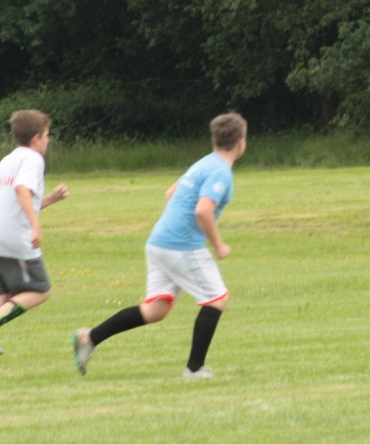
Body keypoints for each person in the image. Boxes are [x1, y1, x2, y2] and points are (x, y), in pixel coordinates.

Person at [72, 113, 247, 379]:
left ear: (215, 140)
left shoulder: (203, 163)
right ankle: (194, 369)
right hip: (180, 245)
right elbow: (203, 210)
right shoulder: (221, 171)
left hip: (158, 241)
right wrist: (219, 245)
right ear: (241, 143)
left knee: (155, 310)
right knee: (217, 299)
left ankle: (90, 337)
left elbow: (170, 194)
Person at [0, 110, 68, 366]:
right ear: (36, 138)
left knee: (0, 295)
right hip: (11, 234)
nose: (48, 141)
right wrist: (36, 227)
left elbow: (16, 200)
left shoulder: (8, 159)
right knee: (40, 289)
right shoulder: (33, 159)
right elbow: (22, 190)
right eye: (47, 136)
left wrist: (50, 199)